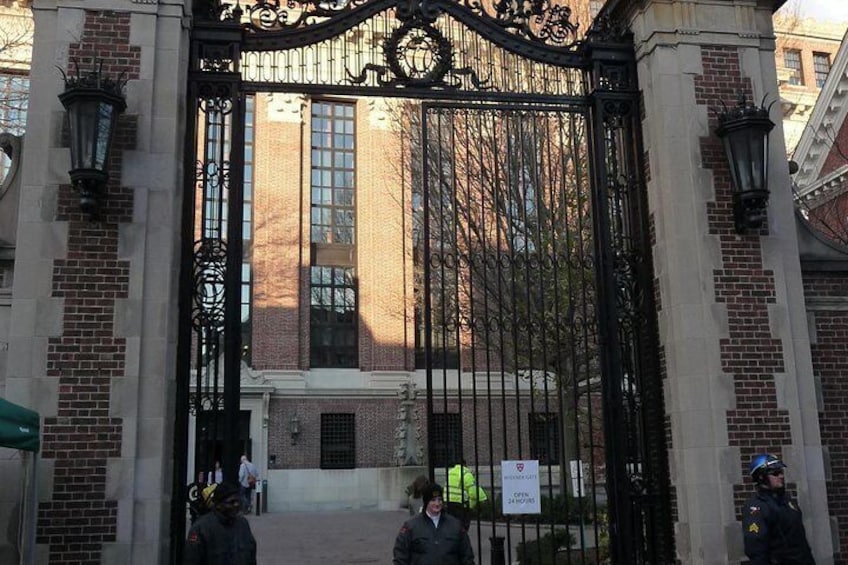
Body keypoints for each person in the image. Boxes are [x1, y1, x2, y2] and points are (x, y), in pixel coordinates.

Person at [742, 453, 816, 564]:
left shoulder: (787, 501)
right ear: (761, 477)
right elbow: (756, 549)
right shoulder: (756, 508)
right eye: (775, 473)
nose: (781, 476)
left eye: (781, 472)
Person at [392, 482, 475, 565]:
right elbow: (400, 557)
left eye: (440, 499)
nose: (437, 504)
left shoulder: (455, 525)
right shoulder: (411, 527)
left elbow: (466, 555)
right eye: (433, 500)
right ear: (426, 502)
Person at [184, 481, 257, 565]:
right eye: (231, 502)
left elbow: (251, 553)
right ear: (218, 505)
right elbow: (192, 559)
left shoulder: (243, 524)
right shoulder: (201, 528)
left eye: (238, 501)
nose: (236, 505)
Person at [445, 460, 480, 530]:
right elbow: (473, 493)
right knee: (462, 528)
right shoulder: (466, 473)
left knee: (450, 526)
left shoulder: (450, 472)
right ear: (465, 465)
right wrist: (471, 506)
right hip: (461, 504)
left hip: (448, 502)